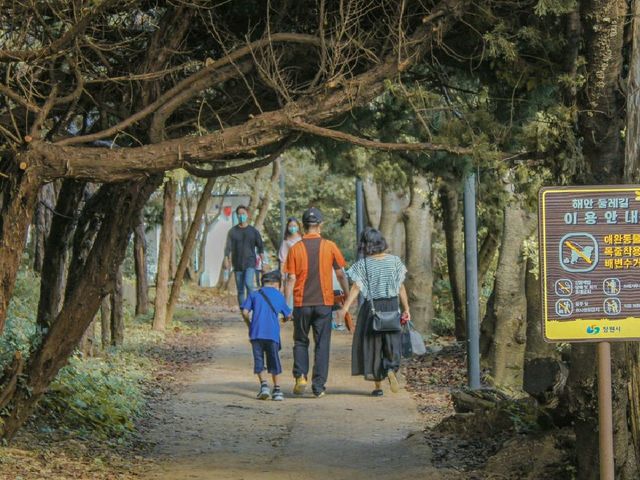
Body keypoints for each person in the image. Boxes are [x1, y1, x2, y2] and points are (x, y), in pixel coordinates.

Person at [284, 207, 349, 397]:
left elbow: (290, 279)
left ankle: (300, 376)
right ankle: (318, 386)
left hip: (301, 304)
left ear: (303, 226)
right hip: (324, 303)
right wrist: (347, 296)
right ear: (320, 225)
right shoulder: (329, 246)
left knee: (301, 341)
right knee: (322, 344)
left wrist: (286, 306)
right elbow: (340, 273)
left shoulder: (295, 248)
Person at [337, 228, 411, 397]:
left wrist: (345, 308)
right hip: (392, 307)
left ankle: (378, 386)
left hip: (372, 310)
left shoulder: (362, 265)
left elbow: (356, 288)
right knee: (392, 344)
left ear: (364, 245)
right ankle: (391, 369)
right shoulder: (394, 261)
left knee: (374, 346)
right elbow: (400, 287)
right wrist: (406, 309)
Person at [241, 270, 292, 401]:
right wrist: (284, 320)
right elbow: (288, 315)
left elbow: (245, 312)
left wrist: (249, 324)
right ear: (276, 284)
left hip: (256, 333)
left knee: (259, 360)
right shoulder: (279, 296)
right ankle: (277, 390)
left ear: (262, 283)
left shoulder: (254, 294)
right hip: (272, 334)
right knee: (274, 360)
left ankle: (264, 386)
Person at [224, 205, 265, 309]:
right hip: (237, 264)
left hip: (250, 263)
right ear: (237, 216)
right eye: (239, 214)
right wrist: (226, 259)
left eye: (243, 214)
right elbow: (227, 248)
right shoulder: (232, 232)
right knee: (240, 289)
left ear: (247, 215)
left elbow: (260, 246)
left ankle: (252, 305)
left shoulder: (253, 231)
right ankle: (244, 309)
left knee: (249, 284)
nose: (241, 216)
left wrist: (263, 261)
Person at [279, 217, 302, 305]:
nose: (292, 228)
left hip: (302, 267)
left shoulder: (303, 239)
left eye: (294, 225)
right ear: (287, 227)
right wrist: (282, 273)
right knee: (289, 288)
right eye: (290, 226)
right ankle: (287, 308)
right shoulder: (286, 241)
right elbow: (282, 258)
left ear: (298, 226)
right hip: (290, 268)